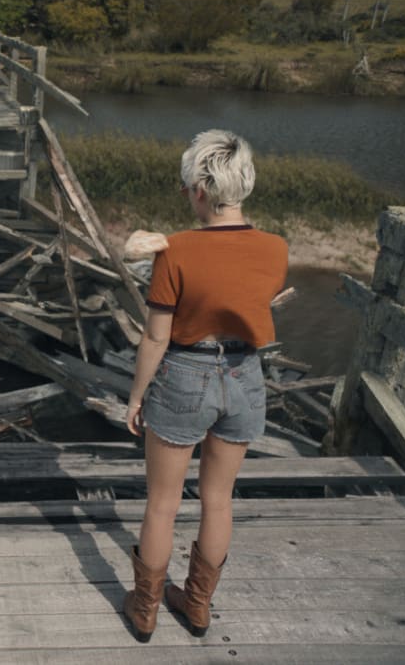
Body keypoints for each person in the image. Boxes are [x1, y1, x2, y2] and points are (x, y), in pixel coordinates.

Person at [122, 130, 288, 642]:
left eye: (185, 186)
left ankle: (145, 609)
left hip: (184, 374)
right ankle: (196, 606)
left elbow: (155, 336)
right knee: (219, 499)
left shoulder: (176, 251)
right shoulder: (276, 248)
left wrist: (135, 395)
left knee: (162, 503)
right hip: (245, 376)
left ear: (199, 187)